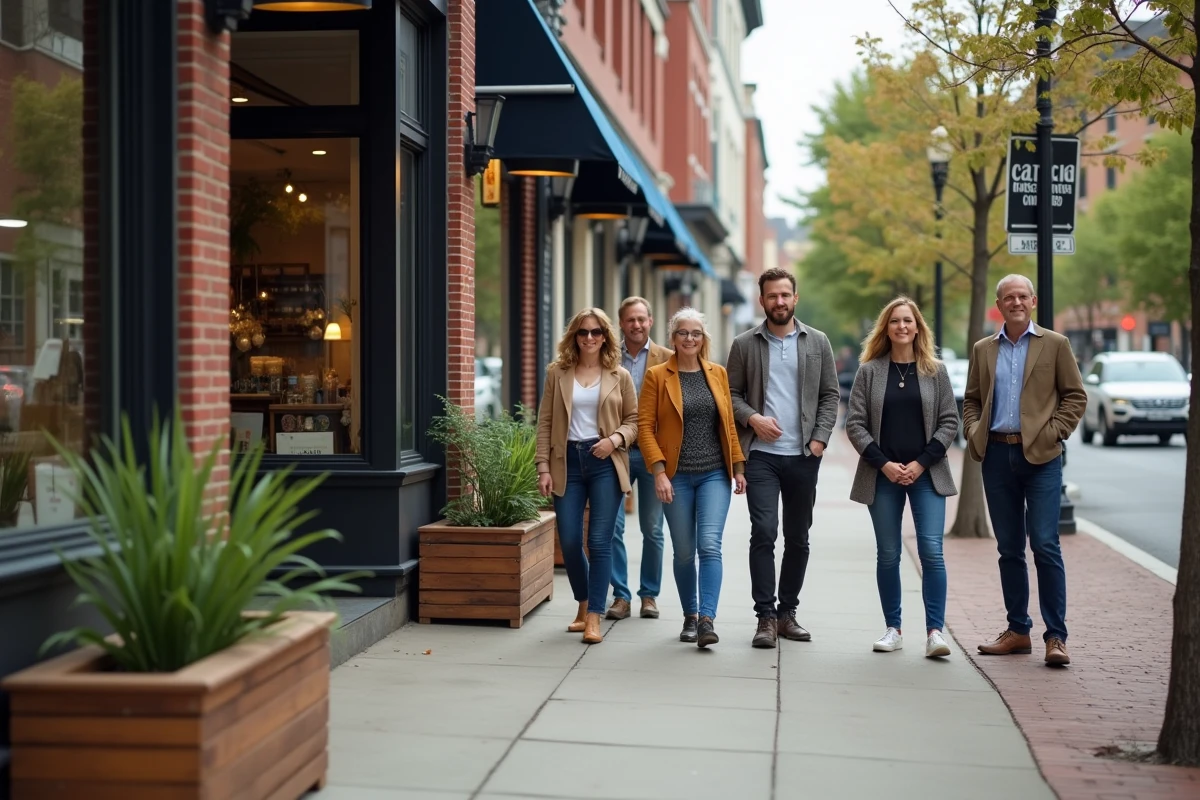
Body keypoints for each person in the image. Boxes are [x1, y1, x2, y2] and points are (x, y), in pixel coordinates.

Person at [962, 274, 1086, 666]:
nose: (1015, 302)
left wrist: (1054, 432)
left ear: (1032, 301)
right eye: (1008, 297)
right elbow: (972, 400)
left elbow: (1075, 396)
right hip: (997, 457)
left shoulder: (1055, 344)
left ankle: (1056, 637)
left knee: (1046, 545)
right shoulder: (984, 349)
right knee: (1009, 549)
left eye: (1021, 296)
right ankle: (1018, 630)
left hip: (1042, 458)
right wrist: (973, 432)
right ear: (998, 305)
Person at [727, 268, 840, 649]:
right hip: (761, 456)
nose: (779, 302)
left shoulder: (817, 342)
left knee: (798, 537)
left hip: (803, 455)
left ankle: (788, 613)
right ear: (762, 301)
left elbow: (830, 395)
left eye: (785, 295)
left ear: (795, 298)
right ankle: (765, 617)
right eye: (772, 296)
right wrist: (753, 419)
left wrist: (820, 441)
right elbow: (731, 394)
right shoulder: (744, 344)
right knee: (763, 532)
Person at [845, 297, 960, 658]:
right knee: (889, 553)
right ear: (886, 327)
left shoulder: (935, 370)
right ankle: (893, 628)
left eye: (908, 320)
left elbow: (950, 421)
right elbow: (855, 424)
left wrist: (922, 463)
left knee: (931, 551)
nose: (902, 327)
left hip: (926, 473)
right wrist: (884, 464)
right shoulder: (870, 371)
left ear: (917, 326)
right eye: (895, 321)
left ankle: (935, 633)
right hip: (882, 475)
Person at [638, 308, 746, 647]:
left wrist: (738, 467)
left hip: (714, 472)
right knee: (684, 552)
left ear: (704, 338)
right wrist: (658, 472)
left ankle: (707, 620)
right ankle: (690, 614)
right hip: (676, 476)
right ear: (673, 338)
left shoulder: (718, 374)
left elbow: (728, 424)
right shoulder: (657, 375)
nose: (689, 338)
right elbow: (644, 427)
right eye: (683, 333)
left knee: (709, 545)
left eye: (696, 333)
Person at [536, 308, 639, 645]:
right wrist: (543, 468)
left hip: (604, 462)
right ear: (575, 337)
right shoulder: (558, 373)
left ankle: (594, 615)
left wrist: (614, 440)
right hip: (567, 462)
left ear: (605, 336)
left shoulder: (619, 375)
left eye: (596, 332)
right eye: (583, 332)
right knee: (568, 539)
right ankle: (583, 603)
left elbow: (634, 421)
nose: (590, 338)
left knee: (598, 541)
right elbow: (545, 423)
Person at [607, 296, 673, 622]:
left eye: (641, 319)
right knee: (612, 528)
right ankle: (621, 596)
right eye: (630, 320)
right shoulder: (607, 358)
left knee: (653, 529)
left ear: (651, 321)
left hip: (652, 455)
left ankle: (649, 595)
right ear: (621, 323)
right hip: (616, 453)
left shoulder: (669, 359)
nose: (636, 325)